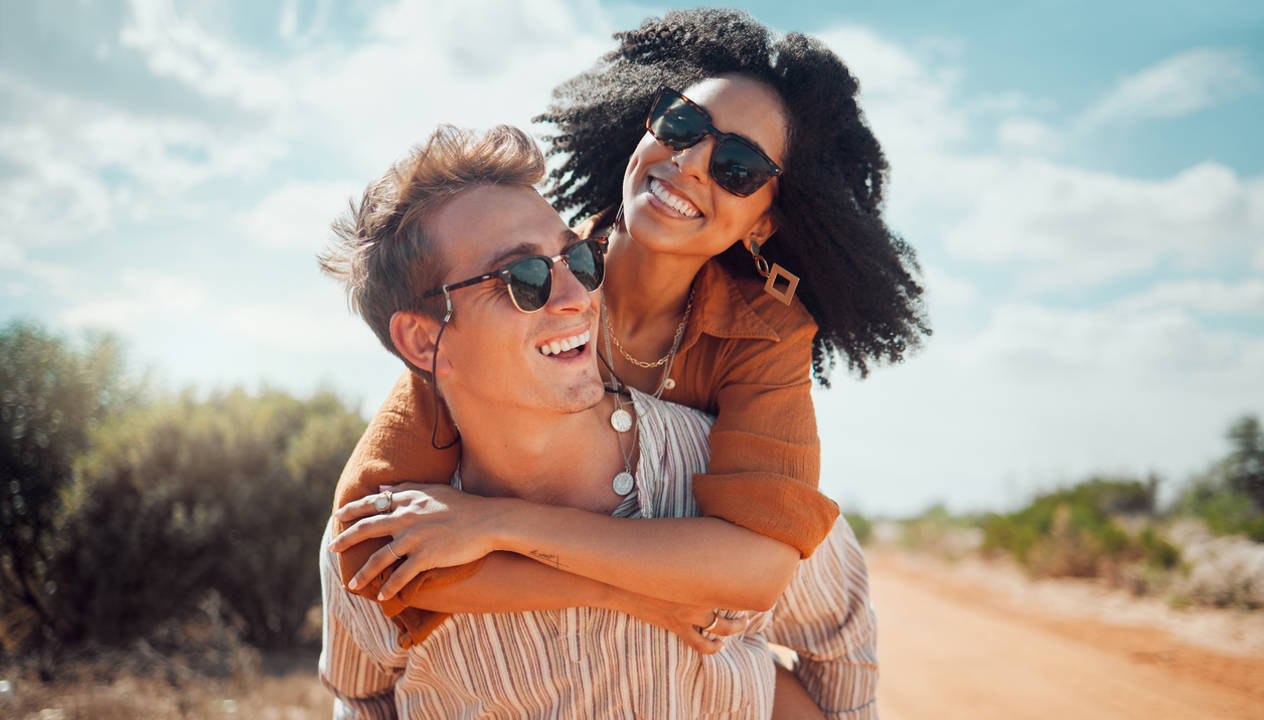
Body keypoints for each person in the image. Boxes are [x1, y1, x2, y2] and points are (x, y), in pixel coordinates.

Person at [327, 7, 924, 715]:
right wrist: (636, 595)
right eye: (680, 127)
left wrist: (497, 524)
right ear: (644, 128)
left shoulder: (764, 334)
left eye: (737, 168)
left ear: (762, 221)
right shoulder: (528, 287)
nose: (691, 163)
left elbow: (759, 570)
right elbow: (372, 555)